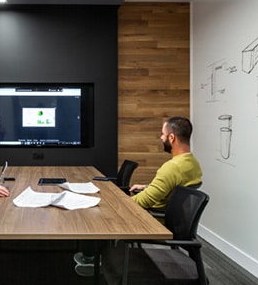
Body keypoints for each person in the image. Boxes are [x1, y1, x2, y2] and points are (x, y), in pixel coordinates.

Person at [74, 116, 202, 276]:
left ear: (172, 137)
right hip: (174, 219)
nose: (161, 138)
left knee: (100, 214)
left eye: (162, 134)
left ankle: (96, 260)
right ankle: (95, 256)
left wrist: (118, 203)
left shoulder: (172, 167)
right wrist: (147, 187)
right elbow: (175, 187)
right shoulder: (192, 164)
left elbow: (145, 201)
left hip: (154, 220)